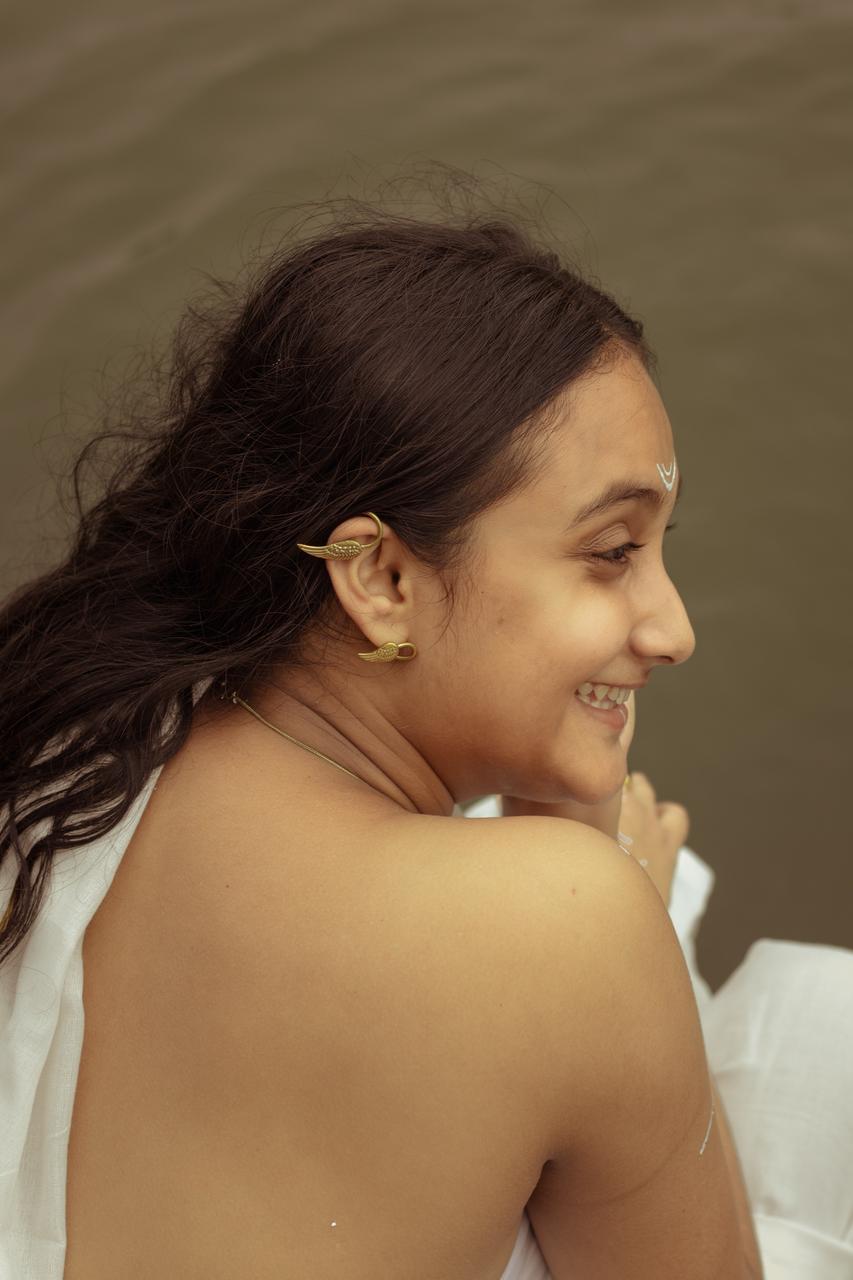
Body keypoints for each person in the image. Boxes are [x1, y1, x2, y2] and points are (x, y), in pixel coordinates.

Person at [1, 201, 851, 1279]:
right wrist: (626, 902)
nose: (672, 631)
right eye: (610, 551)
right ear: (382, 578)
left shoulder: (73, 754)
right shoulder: (557, 927)